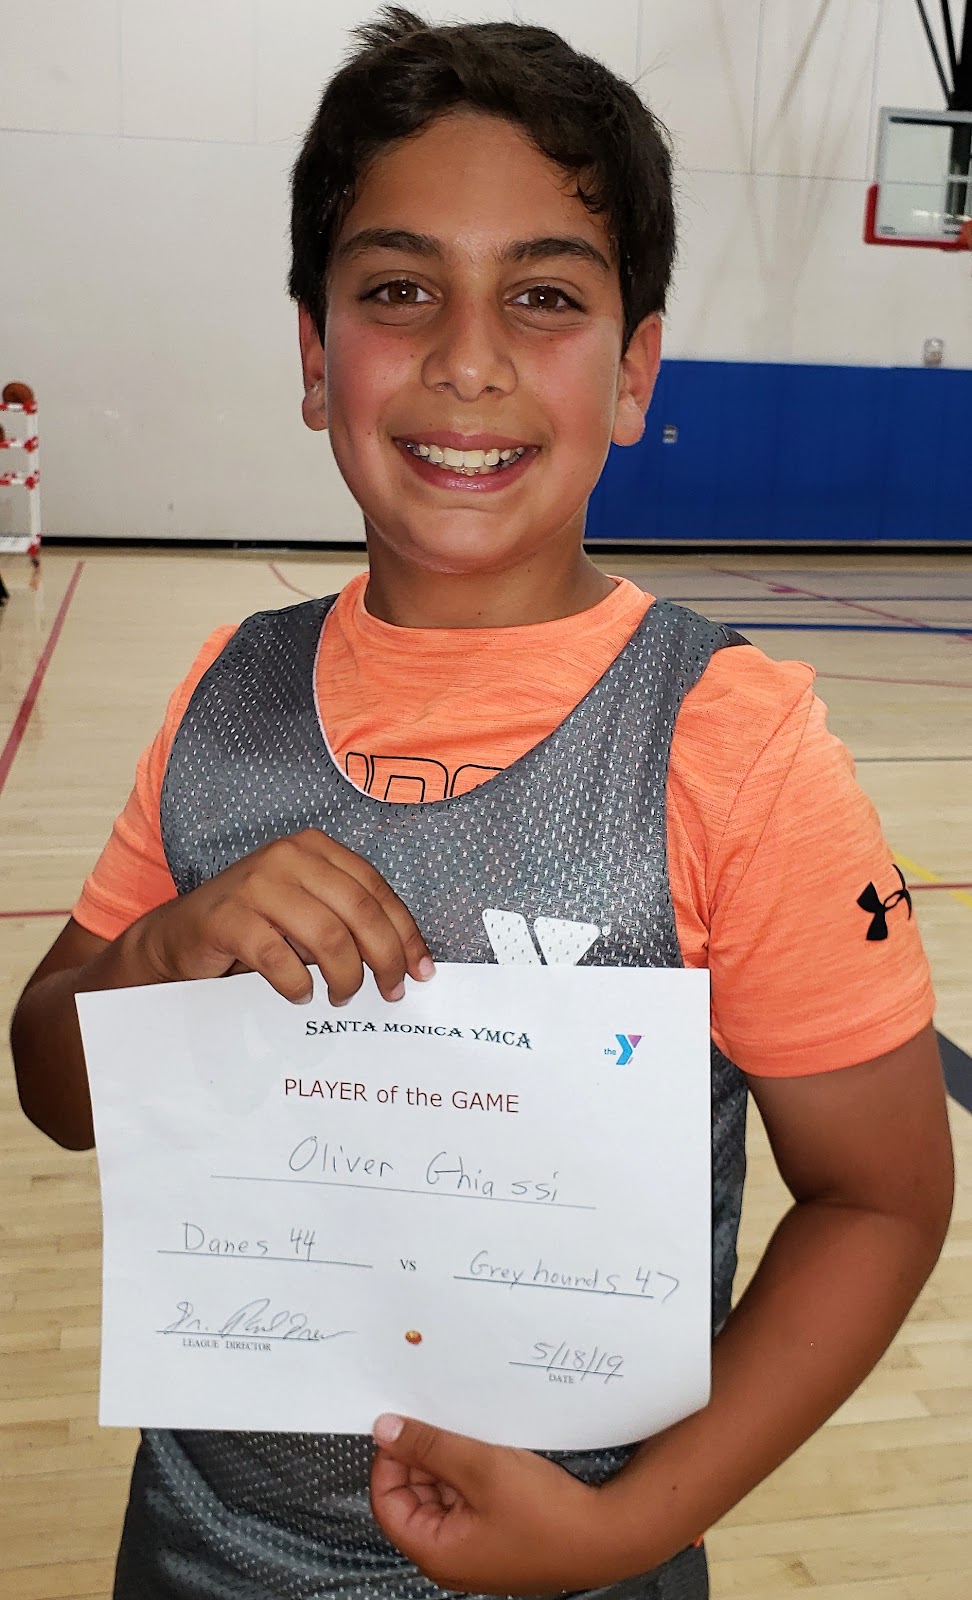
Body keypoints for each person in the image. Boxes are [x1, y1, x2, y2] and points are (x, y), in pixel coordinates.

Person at [11, 8, 953, 1599]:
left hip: (587, 1563)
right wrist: (154, 961)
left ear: (636, 372)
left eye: (544, 295)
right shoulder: (226, 695)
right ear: (314, 357)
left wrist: (627, 1526)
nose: (467, 358)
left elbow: (882, 1199)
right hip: (197, 1550)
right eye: (397, 290)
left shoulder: (735, 745)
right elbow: (55, 1082)